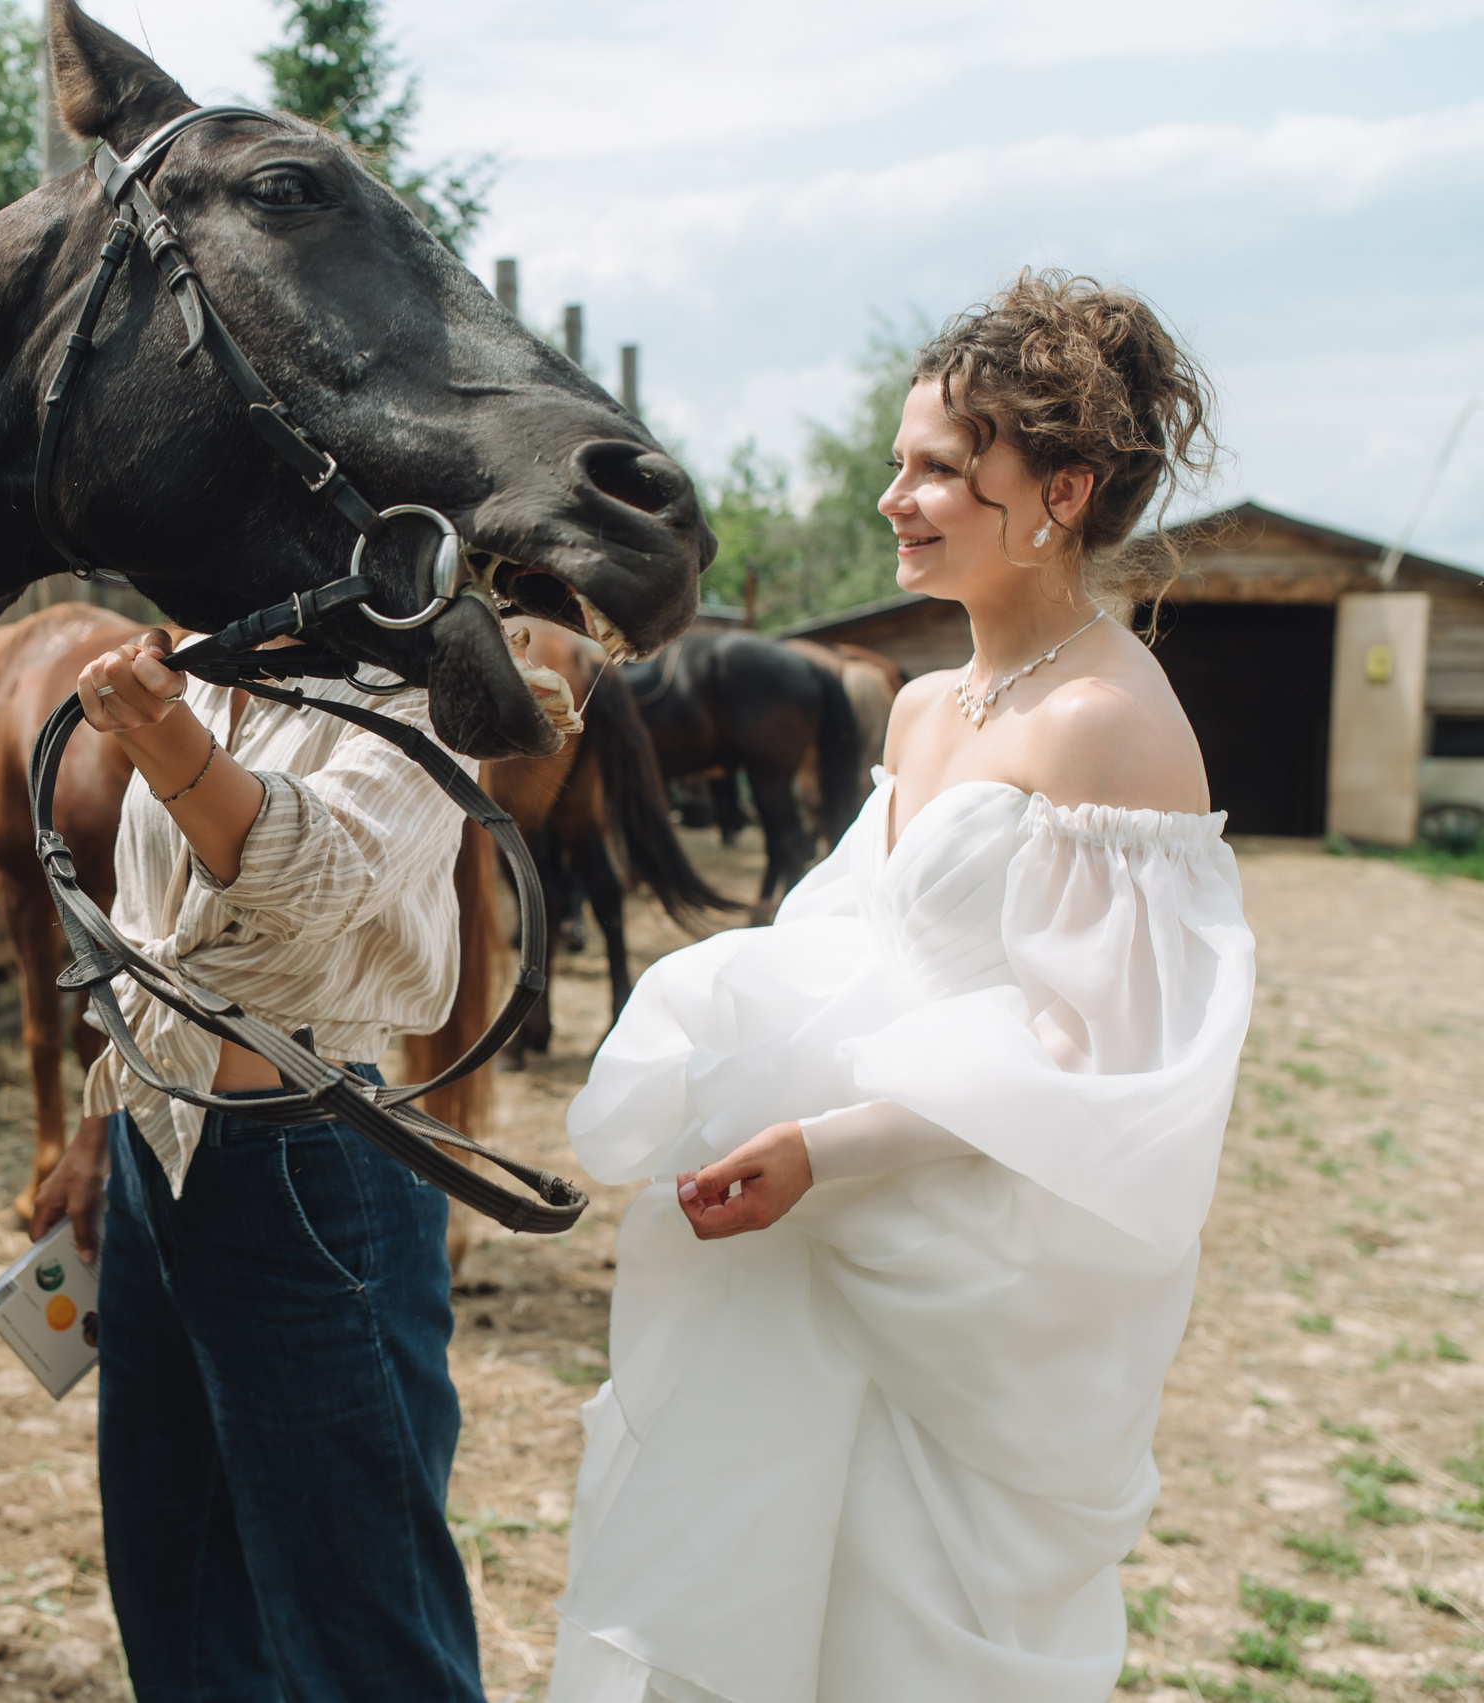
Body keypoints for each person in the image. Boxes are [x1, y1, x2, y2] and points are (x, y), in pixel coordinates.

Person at [551, 271, 1256, 1703]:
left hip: (964, 1248)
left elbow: (1089, 1053)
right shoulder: (932, 705)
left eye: (943, 467)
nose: (896, 495)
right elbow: (853, 937)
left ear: (1059, 490)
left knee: (899, 1617)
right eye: (899, 460)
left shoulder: (1115, 725)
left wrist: (832, 1144)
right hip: (808, 1221)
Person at [30, 625, 490, 1702]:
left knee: (365, 1632)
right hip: (158, 1151)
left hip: (308, 1169)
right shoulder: (201, 651)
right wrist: (100, 1126)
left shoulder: (422, 682)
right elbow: (145, 927)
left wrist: (166, 737)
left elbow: (314, 872)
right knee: (176, 1603)